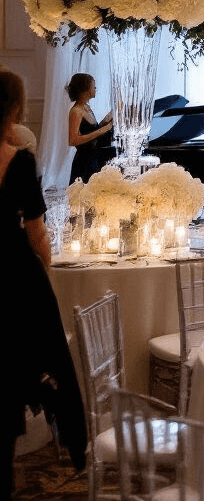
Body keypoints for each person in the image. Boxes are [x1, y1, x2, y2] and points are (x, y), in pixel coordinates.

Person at [1, 70, 86, 498]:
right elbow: (37, 235)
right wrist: (45, 272)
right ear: (14, 111)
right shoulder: (19, 161)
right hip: (14, 274)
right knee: (35, 354)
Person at [66, 73, 113, 185]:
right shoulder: (76, 111)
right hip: (84, 162)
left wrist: (109, 118)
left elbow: (92, 130)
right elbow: (73, 140)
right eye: (93, 86)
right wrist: (103, 130)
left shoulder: (87, 107)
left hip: (94, 158)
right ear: (86, 90)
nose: (95, 89)